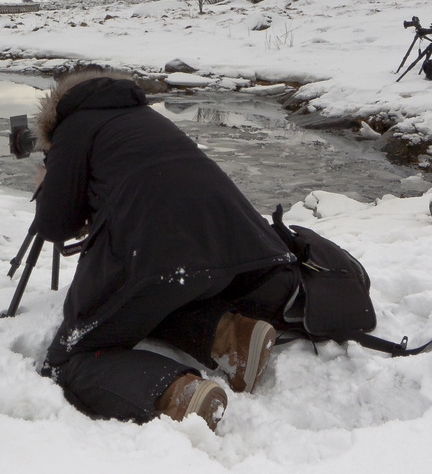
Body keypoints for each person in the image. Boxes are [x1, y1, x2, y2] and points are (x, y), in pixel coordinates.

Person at [30, 69, 298, 431]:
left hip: (157, 253)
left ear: (53, 115)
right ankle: (235, 338)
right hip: (233, 246)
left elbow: (55, 225)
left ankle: (179, 394)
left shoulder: (74, 127)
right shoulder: (144, 116)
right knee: (155, 297)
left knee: (68, 360)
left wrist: (47, 185)